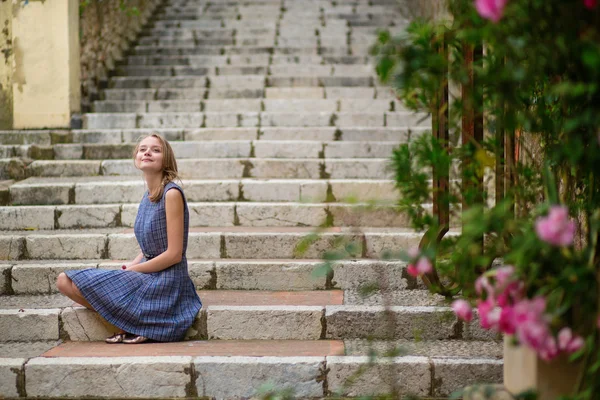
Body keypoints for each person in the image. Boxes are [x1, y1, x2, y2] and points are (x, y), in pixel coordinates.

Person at [56, 134, 202, 344]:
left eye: (156, 150)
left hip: (166, 281)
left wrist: (135, 270)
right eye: (142, 149)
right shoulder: (148, 195)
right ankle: (133, 325)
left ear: (166, 159)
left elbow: (174, 254)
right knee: (64, 282)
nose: (147, 153)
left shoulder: (171, 194)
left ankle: (137, 325)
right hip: (147, 271)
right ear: (136, 158)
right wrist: (133, 263)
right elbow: (150, 243)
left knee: (71, 281)